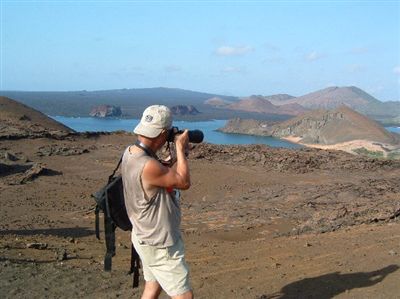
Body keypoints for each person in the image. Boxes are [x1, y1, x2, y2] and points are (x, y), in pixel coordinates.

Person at [121, 105, 193, 299]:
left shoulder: (130, 153)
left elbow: (154, 175)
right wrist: (180, 148)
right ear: (164, 133)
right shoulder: (149, 165)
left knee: (153, 286)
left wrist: (169, 162)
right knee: (184, 296)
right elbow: (184, 182)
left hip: (143, 235)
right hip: (160, 243)